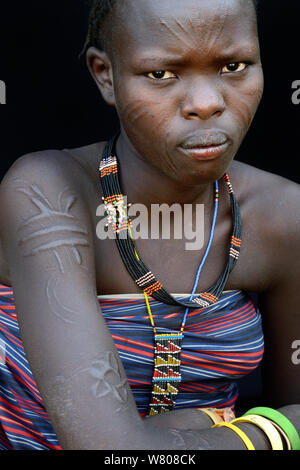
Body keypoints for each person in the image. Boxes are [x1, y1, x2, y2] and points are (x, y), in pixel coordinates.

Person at [0, 0, 299, 451]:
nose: (207, 103)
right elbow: (107, 451)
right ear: (105, 74)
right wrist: (269, 430)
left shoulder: (283, 214)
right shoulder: (47, 194)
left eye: (234, 65)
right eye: (162, 74)